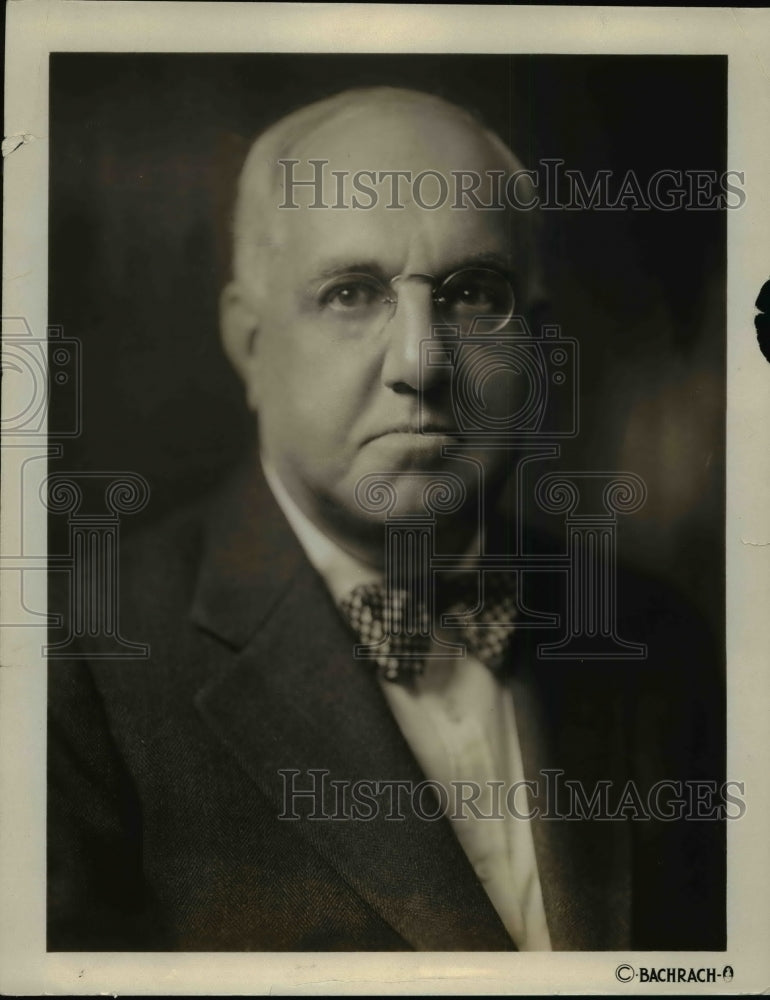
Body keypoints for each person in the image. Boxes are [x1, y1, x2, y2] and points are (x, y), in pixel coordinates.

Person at [47, 86, 725, 952]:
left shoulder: (660, 642)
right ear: (250, 346)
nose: (420, 362)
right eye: (352, 293)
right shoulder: (77, 667)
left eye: (474, 293)